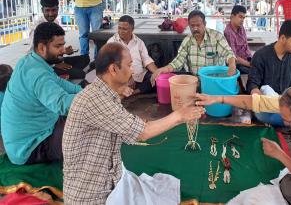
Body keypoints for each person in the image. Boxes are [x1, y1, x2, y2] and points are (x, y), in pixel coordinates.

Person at [63, 43, 204, 204]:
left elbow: (123, 123)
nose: (133, 70)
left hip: (109, 180)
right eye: (129, 65)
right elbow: (142, 132)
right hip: (91, 194)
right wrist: (179, 115)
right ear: (113, 69)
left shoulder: (103, 92)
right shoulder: (96, 100)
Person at [1, 22, 82, 165]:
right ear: (41, 48)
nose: (63, 50)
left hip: (34, 134)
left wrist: (83, 91)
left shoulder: (30, 60)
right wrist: (95, 97)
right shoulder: (37, 74)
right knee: (89, 135)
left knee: (83, 121)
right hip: (30, 147)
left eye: (62, 45)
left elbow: (58, 82)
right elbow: (62, 105)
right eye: (58, 46)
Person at [151, 10, 236, 82]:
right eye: (192, 26)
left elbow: (228, 53)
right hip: (195, 80)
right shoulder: (187, 41)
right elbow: (177, 62)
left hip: (215, 80)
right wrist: (162, 69)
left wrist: (232, 65)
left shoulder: (216, 36)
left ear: (205, 24)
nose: (195, 28)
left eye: (198, 25)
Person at [28, 0, 90, 79]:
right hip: (42, 65)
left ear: (58, 9)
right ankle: (56, 75)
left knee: (85, 59)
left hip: (55, 60)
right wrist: (55, 64)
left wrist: (64, 51)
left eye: (53, 10)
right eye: (47, 10)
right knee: (80, 74)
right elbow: (34, 54)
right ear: (42, 10)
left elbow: (53, 48)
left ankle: (62, 74)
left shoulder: (55, 22)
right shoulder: (37, 28)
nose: (51, 14)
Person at [247, 20, 291, 95]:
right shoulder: (261, 55)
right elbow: (252, 84)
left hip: (286, 101)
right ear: (282, 38)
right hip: (266, 100)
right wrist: (258, 96)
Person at [107, 15, 158, 94]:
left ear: (132, 29)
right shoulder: (112, 42)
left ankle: (133, 92)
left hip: (139, 76)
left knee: (155, 80)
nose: (121, 31)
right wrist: (129, 77)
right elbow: (112, 64)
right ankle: (132, 91)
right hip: (121, 77)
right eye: (119, 28)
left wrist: (158, 72)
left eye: (124, 29)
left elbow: (146, 60)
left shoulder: (139, 42)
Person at [224, 5, 252, 74]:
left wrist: (251, 59)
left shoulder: (241, 27)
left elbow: (246, 46)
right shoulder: (228, 32)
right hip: (236, 64)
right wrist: (250, 65)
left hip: (245, 60)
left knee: (262, 65)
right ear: (232, 17)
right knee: (254, 72)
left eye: (243, 18)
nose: (242, 20)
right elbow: (234, 57)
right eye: (240, 17)